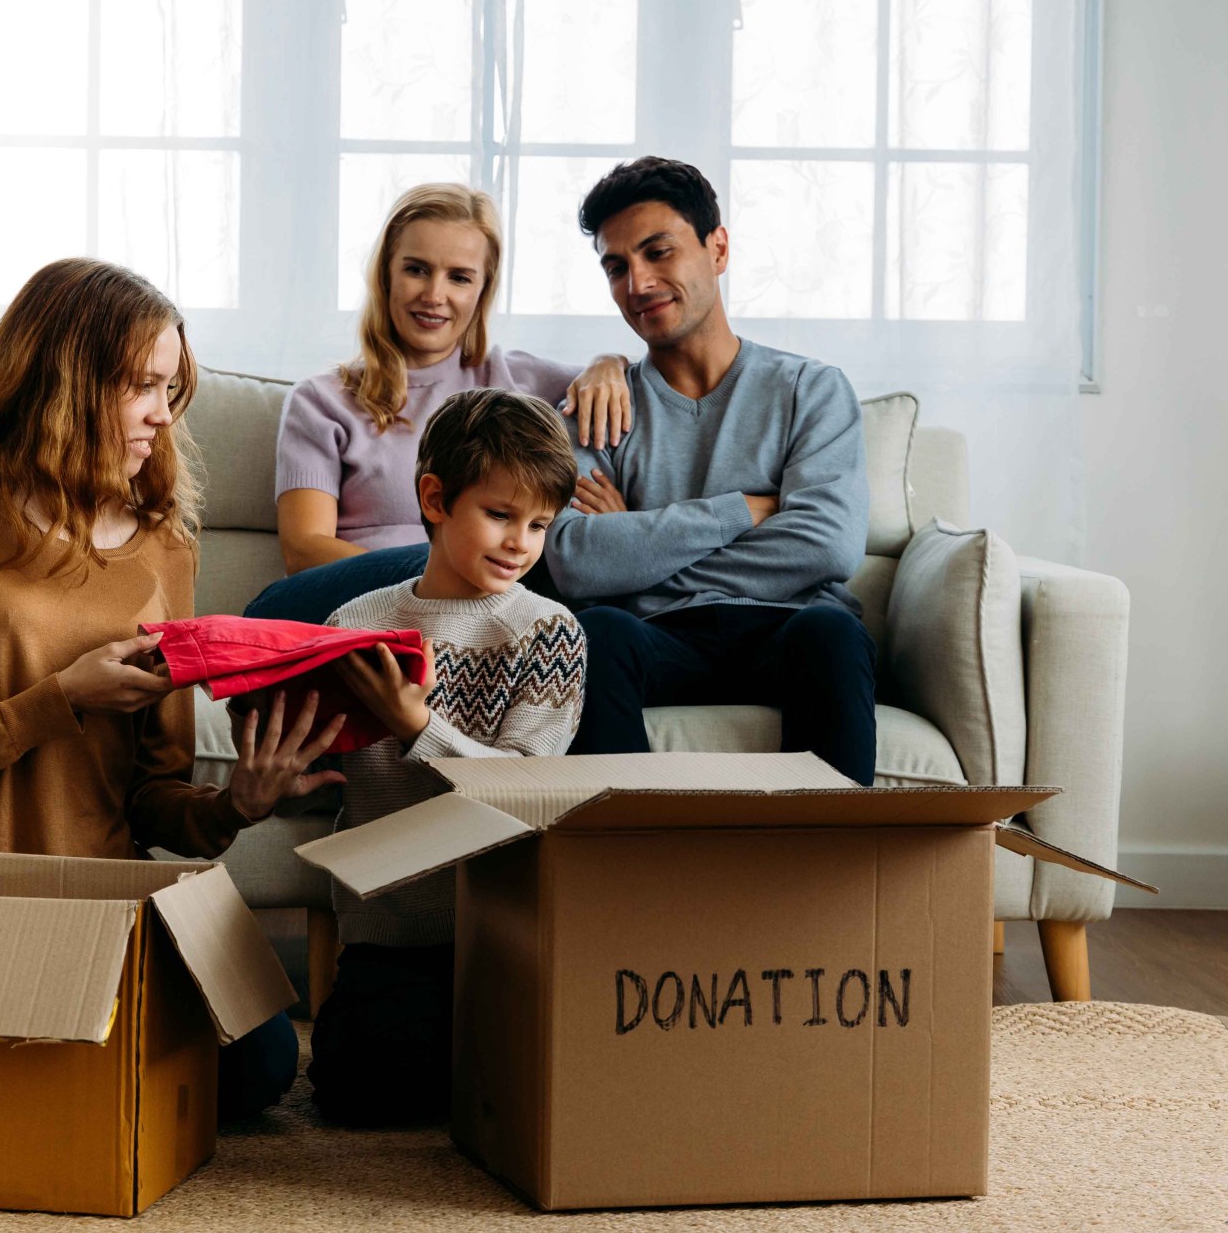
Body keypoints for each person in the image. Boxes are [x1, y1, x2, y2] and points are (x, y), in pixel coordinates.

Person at [0, 258, 345, 1122]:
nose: (164, 414)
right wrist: (59, 700)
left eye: (170, 388)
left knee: (264, 1061)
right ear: (63, 385)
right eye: (142, 387)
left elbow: (151, 799)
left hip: (103, 906)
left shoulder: (165, 547)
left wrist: (238, 803)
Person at [300, 389, 587, 1126]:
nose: (520, 542)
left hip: (504, 936)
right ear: (434, 497)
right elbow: (324, 761)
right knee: (360, 1096)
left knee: (531, 1100)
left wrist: (415, 723)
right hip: (389, 937)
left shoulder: (550, 632)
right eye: (500, 514)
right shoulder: (356, 625)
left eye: (540, 525)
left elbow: (528, 784)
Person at [544, 157, 877, 785]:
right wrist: (742, 510)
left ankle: (832, 874)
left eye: (658, 252)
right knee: (599, 630)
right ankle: (621, 873)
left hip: (790, 630)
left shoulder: (812, 389)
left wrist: (638, 541)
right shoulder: (597, 407)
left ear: (717, 248)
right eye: (616, 267)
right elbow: (575, 563)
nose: (638, 282)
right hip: (658, 639)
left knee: (832, 632)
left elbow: (826, 545)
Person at [246, 182, 633, 625]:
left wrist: (609, 362)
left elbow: (639, 385)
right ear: (386, 275)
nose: (434, 294)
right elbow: (303, 551)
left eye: (459, 277)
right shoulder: (320, 401)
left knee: (598, 618)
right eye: (416, 269)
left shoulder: (520, 382)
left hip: (487, 615)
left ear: (482, 290)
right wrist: (439, 581)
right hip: (359, 605)